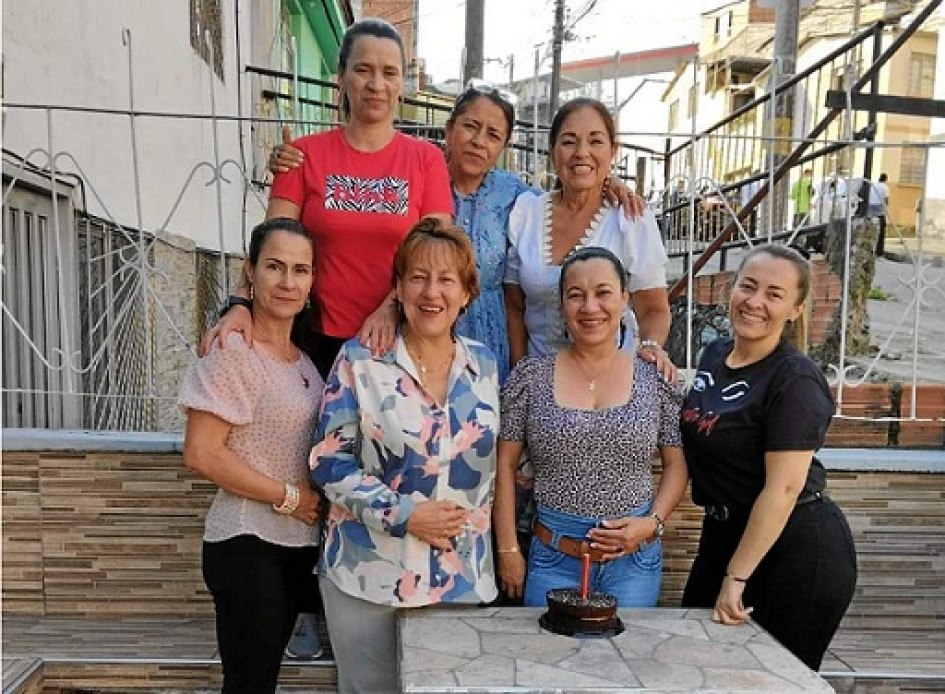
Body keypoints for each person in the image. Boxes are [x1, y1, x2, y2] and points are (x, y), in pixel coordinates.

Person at [269, 80, 645, 383]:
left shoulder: (518, 198)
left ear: (503, 145)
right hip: (419, 323)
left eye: (493, 134)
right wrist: (286, 158)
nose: (479, 141)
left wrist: (611, 187)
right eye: (470, 126)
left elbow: (566, 197)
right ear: (450, 129)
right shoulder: (417, 174)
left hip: (490, 340)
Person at [310, 219, 500, 693]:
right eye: (417, 277)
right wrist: (406, 514)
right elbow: (328, 462)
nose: (430, 292)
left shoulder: (486, 366)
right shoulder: (360, 361)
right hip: (368, 574)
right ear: (397, 288)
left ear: (466, 294)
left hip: (459, 578)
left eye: (445, 279)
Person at [203, 17, 453, 377]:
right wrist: (241, 303)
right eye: (363, 70)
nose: (376, 85)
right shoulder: (302, 156)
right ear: (341, 77)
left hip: (397, 336)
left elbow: (436, 255)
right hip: (310, 338)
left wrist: (391, 307)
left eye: (389, 72)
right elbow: (270, 247)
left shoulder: (426, 159)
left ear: (402, 84)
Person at [679, 243, 857, 671]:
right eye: (749, 286)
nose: (755, 302)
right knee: (695, 663)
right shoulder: (715, 355)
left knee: (773, 679)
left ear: (795, 309)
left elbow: (784, 488)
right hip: (723, 534)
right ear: (732, 290)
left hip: (793, 547)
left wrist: (736, 576)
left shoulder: (795, 380)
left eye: (774, 294)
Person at [493, 247, 688, 607]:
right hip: (553, 555)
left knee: (625, 660)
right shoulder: (531, 378)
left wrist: (652, 523)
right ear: (562, 305)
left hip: (632, 558)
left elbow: (676, 465)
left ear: (625, 299)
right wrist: (508, 548)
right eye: (576, 295)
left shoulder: (655, 379)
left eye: (603, 293)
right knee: (547, 661)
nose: (590, 307)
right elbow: (503, 465)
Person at [179, 218, 325, 693]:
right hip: (247, 543)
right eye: (275, 267)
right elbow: (201, 454)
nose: (287, 282)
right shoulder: (233, 350)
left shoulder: (301, 359)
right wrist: (288, 498)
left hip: (293, 546)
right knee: (249, 685)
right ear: (251, 272)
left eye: (300, 270)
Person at [503, 98, 672, 371]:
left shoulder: (631, 217)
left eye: (595, 142)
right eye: (569, 141)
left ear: (613, 150)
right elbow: (514, 306)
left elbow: (654, 309)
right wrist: (522, 375)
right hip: (539, 379)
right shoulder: (527, 212)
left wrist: (651, 349)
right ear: (552, 151)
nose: (582, 153)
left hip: (610, 380)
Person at [868, 172, 889, 256]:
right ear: (886, 179)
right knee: (881, 229)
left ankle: (869, 249)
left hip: (869, 207)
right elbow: (886, 199)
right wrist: (885, 208)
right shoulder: (885, 187)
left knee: (869, 229)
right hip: (878, 208)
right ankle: (879, 251)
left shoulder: (873, 185)